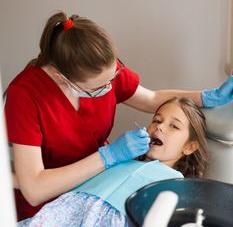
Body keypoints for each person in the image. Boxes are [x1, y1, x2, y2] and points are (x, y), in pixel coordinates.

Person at [4, 11, 233, 222]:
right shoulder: (25, 95)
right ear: (62, 78)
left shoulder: (103, 69)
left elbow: (152, 99)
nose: (111, 86)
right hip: (52, 203)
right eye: (101, 87)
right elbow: (33, 189)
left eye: (113, 77)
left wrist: (206, 97)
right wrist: (109, 157)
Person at [17, 97, 208, 227]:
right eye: (157, 120)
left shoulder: (177, 182)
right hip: (63, 214)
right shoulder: (118, 159)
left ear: (189, 147)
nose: (160, 128)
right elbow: (57, 181)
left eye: (173, 126)